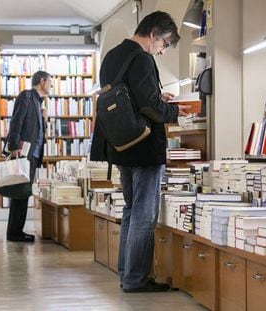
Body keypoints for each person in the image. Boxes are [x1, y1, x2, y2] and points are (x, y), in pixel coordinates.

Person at [91, 11, 187, 292]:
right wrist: (174, 110)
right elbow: (148, 107)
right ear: (154, 33)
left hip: (122, 145)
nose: (162, 50)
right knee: (145, 214)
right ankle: (135, 279)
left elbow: (129, 95)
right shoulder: (142, 58)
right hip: (144, 146)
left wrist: (156, 97)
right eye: (164, 44)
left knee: (132, 211)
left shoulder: (112, 55)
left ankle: (127, 273)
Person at [6, 70, 52, 242]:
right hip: (23, 153)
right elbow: (16, 121)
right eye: (50, 82)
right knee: (20, 193)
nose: (51, 85)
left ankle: (16, 230)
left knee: (22, 193)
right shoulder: (26, 96)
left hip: (32, 155)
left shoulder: (38, 103)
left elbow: (37, 131)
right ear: (42, 81)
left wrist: (44, 120)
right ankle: (14, 232)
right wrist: (12, 146)